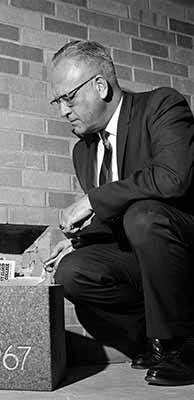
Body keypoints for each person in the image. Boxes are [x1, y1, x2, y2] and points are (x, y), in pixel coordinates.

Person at [48, 40, 194, 386]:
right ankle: (149, 339)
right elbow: (112, 220)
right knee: (73, 271)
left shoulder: (161, 105)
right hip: (141, 246)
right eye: (58, 102)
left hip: (182, 244)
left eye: (68, 98)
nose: (63, 111)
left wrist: (92, 200)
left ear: (100, 86)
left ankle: (177, 349)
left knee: (144, 216)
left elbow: (173, 178)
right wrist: (79, 243)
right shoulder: (83, 152)